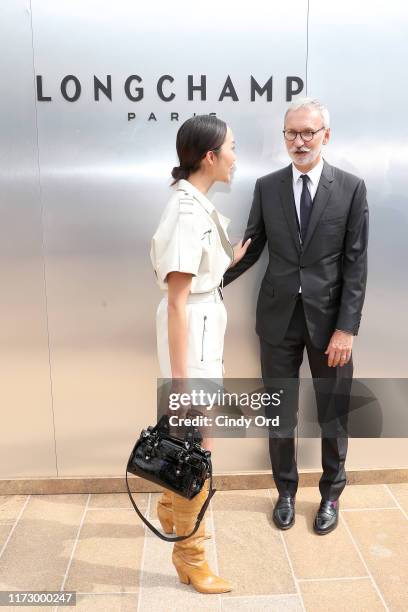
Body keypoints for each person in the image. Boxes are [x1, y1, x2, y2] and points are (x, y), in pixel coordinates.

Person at [223, 97, 369, 535]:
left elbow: (355, 264)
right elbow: (251, 249)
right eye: (292, 133)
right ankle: (285, 491)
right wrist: (208, 283)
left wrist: (346, 327)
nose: (300, 141)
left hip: (330, 327)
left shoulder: (350, 188)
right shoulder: (267, 187)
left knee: (333, 414)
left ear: (326, 135)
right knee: (279, 412)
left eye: (309, 132)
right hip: (278, 320)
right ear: (283, 137)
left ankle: (330, 495)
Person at [150, 115, 251, 593]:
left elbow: (191, 275)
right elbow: (176, 300)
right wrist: (181, 384)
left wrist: (224, 259)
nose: (236, 154)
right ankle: (191, 556)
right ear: (209, 156)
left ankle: (172, 512)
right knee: (198, 451)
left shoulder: (194, 204)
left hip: (200, 334)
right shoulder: (188, 213)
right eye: (231, 146)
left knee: (188, 444)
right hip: (193, 344)